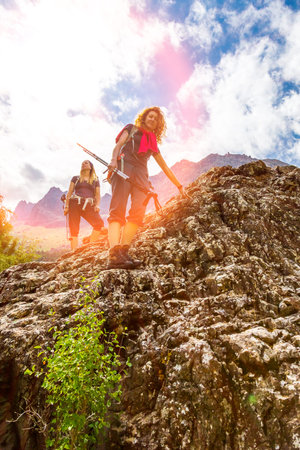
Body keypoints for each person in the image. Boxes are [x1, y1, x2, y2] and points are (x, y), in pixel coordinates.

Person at [107, 106, 185, 269]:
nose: (152, 120)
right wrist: (113, 161)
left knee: (138, 212)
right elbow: (119, 145)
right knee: (118, 209)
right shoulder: (131, 128)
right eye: (150, 116)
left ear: (158, 124)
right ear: (144, 117)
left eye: (156, 119)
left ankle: (124, 250)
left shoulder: (152, 142)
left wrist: (179, 186)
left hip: (141, 174)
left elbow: (164, 166)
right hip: (123, 166)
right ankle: (114, 255)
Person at [64, 160, 104, 251]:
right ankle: (73, 251)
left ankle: (90, 247)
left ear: (91, 166)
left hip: (89, 204)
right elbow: (69, 193)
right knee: (73, 227)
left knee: (99, 223)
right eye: (82, 163)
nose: (83, 164)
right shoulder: (75, 178)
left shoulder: (95, 179)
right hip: (75, 203)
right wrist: (66, 206)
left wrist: (97, 205)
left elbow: (97, 194)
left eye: (86, 163)